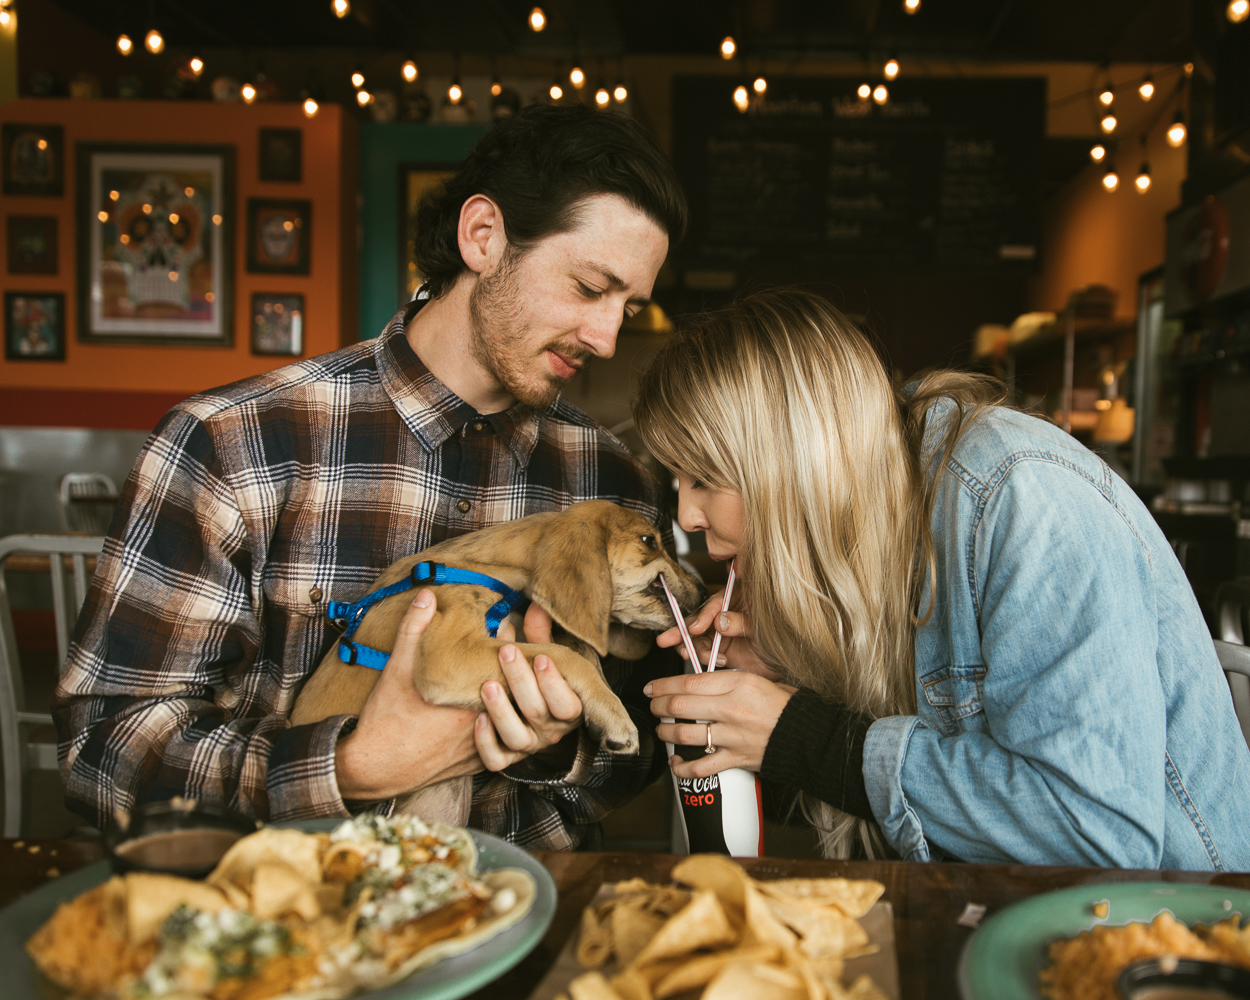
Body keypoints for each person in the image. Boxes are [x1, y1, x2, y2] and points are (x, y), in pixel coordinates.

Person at [55, 104, 687, 850]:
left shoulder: (609, 482)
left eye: (631, 307)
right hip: (297, 929)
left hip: (529, 927)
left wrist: (556, 746)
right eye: (589, 288)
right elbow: (100, 756)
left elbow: (642, 752)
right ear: (483, 237)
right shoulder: (234, 443)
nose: (608, 339)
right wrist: (347, 767)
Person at [633, 288, 1250, 870]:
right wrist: (799, 657)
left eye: (705, 480)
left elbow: (1093, 832)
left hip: (1175, 930)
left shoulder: (1020, 495)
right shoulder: (877, 508)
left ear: (796, 462)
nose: (687, 516)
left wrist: (801, 736)